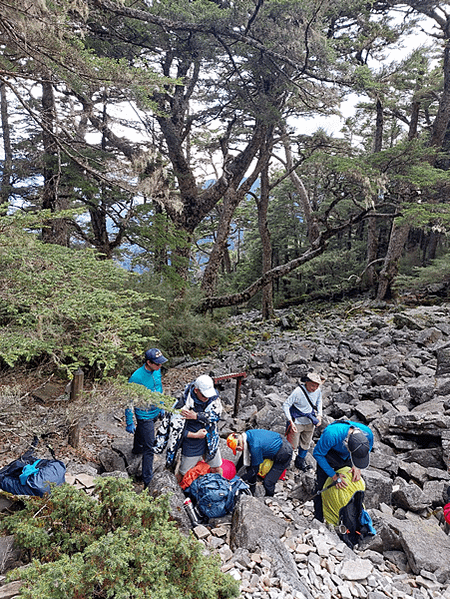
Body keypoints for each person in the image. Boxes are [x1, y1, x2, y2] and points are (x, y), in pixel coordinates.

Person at [154, 374, 223, 482]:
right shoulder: (182, 404)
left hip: (210, 439)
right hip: (191, 443)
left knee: (217, 468)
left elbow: (216, 416)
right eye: (204, 395)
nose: (207, 398)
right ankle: (180, 493)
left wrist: (196, 416)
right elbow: (175, 432)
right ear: (196, 390)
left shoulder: (213, 399)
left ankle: (219, 487)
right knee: (184, 473)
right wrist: (195, 435)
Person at [312, 420, 373, 522]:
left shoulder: (368, 434)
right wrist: (333, 476)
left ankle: (349, 518)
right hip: (330, 453)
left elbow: (367, 449)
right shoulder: (331, 434)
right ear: (346, 443)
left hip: (348, 457)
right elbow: (318, 454)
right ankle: (318, 519)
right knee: (321, 486)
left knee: (350, 483)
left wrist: (357, 466)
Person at [125, 348, 168, 489]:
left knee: (142, 434)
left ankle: (137, 448)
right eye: (157, 364)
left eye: (160, 363)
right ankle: (148, 481)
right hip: (144, 415)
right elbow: (129, 401)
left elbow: (159, 388)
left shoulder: (157, 370)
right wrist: (130, 422)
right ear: (148, 362)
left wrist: (161, 406)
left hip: (155, 410)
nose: (159, 366)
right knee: (149, 447)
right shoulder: (136, 377)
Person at [227, 429, 293, 497]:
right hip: (276, 440)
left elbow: (255, 470)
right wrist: (236, 470)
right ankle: (252, 488)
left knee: (268, 482)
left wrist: (239, 479)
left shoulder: (255, 447)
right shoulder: (247, 435)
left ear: (240, 446)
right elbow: (243, 457)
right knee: (251, 467)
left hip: (284, 453)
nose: (238, 451)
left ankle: (269, 498)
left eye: (237, 449)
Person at [283, 371, 325, 471]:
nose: (314, 388)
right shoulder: (298, 391)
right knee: (292, 445)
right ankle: (286, 463)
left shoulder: (318, 391)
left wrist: (319, 415)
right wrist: (290, 421)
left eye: (316, 386)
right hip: (297, 422)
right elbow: (286, 405)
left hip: (309, 421)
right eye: (312, 385)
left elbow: (319, 401)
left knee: (306, 444)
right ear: (306, 382)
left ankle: (300, 462)